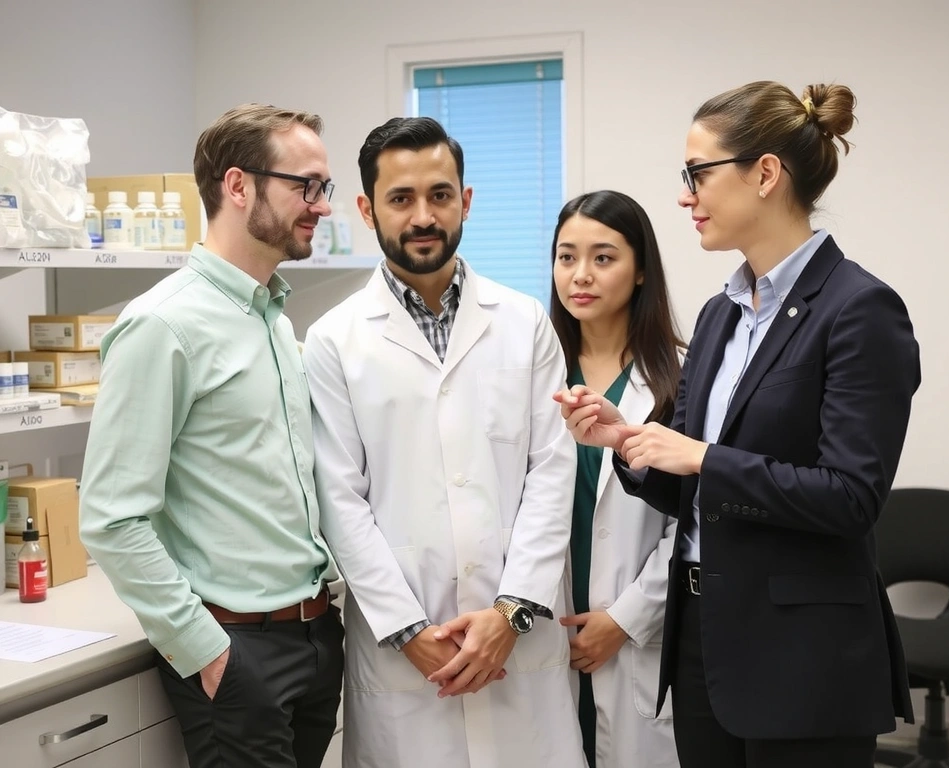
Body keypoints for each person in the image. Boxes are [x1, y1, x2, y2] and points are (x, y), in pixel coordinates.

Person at [554, 81, 921, 768]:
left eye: (697, 174)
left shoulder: (859, 310)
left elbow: (851, 498)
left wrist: (701, 457)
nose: (685, 195)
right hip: (703, 643)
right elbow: (696, 491)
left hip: (803, 655)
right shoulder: (721, 315)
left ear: (765, 174)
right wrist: (629, 446)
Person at [303, 116, 587, 768]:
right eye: (401, 199)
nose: (423, 215)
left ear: (466, 199)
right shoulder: (334, 340)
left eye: (439, 194)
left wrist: (511, 617)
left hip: (520, 648)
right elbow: (339, 500)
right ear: (368, 209)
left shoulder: (524, 322)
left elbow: (551, 472)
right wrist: (409, 632)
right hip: (408, 658)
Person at [78, 103, 345, 768]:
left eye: (324, 187)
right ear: (237, 186)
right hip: (237, 650)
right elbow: (112, 518)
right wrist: (208, 651)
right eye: (304, 186)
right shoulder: (162, 327)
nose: (322, 206)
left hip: (315, 636)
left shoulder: (277, 322)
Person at [549, 190, 683, 768]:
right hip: (542, 625)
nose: (581, 275)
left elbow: (695, 522)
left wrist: (625, 620)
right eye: (566, 256)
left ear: (641, 270)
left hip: (634, 633)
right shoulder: (533, 376)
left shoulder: (681, 377)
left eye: (603, 258)